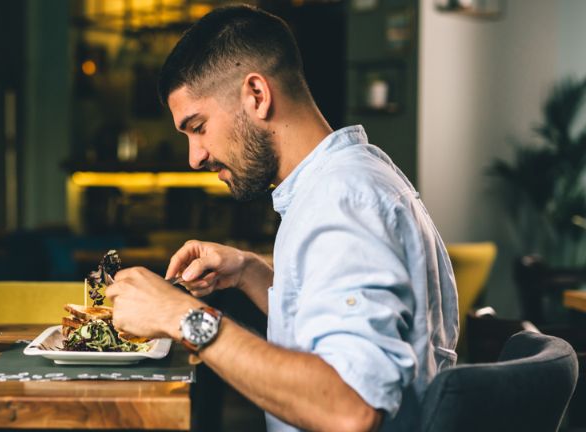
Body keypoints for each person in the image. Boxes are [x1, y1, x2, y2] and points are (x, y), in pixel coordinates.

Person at [105, 5, 458, 431]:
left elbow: (351, 407)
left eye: (198, 127)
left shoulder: (341, 200)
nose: (195, 156)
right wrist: (252, 272)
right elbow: (333, 326)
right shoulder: (347, 180)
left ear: (256, 94)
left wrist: (182, 317)